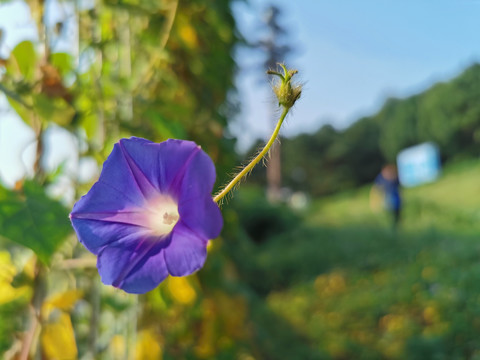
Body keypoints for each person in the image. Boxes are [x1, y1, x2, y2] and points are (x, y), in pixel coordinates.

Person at [370, 164, 402, 229]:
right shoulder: (380, 178)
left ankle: (396, 228)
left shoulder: (395, 177)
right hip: (387, 200)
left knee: (397, 216)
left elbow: (400, 188)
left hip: (396, 200)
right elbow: (376, 189)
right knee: (389, 217)